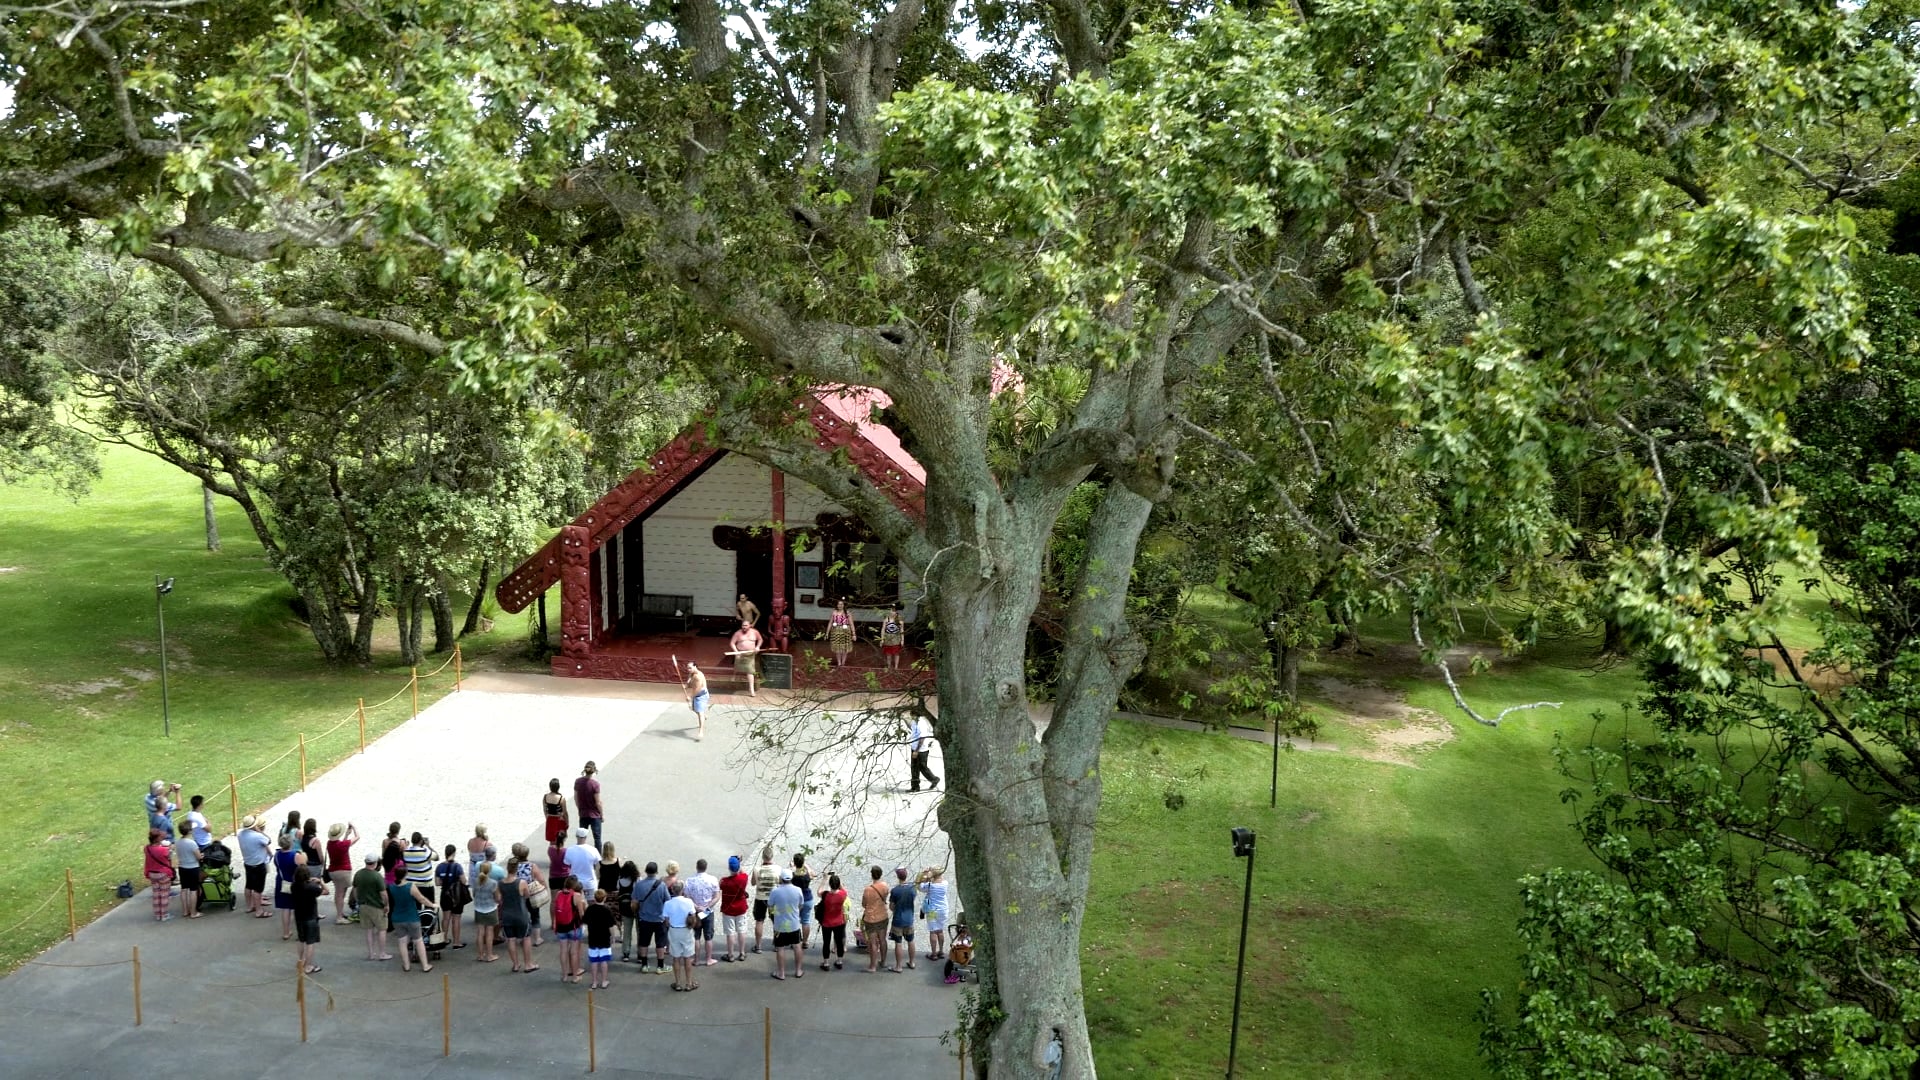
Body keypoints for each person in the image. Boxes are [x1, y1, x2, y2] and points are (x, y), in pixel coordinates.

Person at [387, 872, 435, 973]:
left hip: (397, 917)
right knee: (418, 941)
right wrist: (432, 905)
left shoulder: (391, 887)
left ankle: (406, 965)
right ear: (405, 875)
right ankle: (425, 965)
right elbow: (421, 899)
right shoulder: (410, 886)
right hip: (412, 917)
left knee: (402, 942)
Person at [352, 853, 392, 961]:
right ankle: (382, 953)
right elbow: (384, 894)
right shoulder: (377, 876)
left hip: (363, 905)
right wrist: (387, 905)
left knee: (368, 930)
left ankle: (371, 953)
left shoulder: (358, 874)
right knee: (382, 929)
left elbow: (355, 890)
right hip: (376, 907)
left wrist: (358, 901)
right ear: (375, 863)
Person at [767, 868, 804, 980]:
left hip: (780, 925)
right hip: (794, 924)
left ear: (781, 878)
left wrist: (777, 913)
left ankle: (781, 973)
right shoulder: (798, 890)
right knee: (797, 946)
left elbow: (770, 907)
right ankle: (798, 970)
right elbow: (801, 905)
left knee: (780, 948)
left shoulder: (775, 891)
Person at [662, 880, 699, 991]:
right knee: (688, 958)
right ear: (682, 890)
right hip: (686, 931)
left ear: (672, 890)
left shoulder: (668, 904)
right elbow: (693, 916)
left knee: (676, 958)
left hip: (674, 931)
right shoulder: (689, 902)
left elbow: (666, 921)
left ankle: (678, 983)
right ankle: (688, 983)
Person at [499, 858, 534, 973]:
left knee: (510, 940)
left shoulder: (501, 883)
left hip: (507, 915)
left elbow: (499, 899)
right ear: (517, 869)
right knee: (526, 937)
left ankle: (515, 964)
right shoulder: (521, 882)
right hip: (520, 914)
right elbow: (527, 895)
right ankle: (528, 964)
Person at [631, 861, 667, 972]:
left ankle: (644, 965)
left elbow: (634, 902)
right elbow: (668, 900)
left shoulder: (639, 885)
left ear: (646, 871)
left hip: (644, 918)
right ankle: (660, 966)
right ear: (656, 872)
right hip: (659, 918)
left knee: (644, 942)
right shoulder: (661, 885)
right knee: (660, 943)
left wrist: (636, 912)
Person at [685, 858, 721, 966]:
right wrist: (707, 906)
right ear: (706, 867)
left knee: (696, 936)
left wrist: (696, 907)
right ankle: (708, 959)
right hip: (708, 911)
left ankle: (696, 960)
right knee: (708, 936)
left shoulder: (690, 880)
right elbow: (717, 896)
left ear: (697, 867)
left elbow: (687, 896)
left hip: (695, 911)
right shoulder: (713, 879)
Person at [552, 875, 586, 984]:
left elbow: (555, 909)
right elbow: (581, 915)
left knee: (563, 951)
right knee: (574, 952)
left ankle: (565, 975)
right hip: (574, 927)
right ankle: (575, 976)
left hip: (561, 926)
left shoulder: (558, 894)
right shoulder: (576, 896)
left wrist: (554, 922)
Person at [511, 842, 546, 947]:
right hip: (531, 893)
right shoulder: (532, 866)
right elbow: (541, 879)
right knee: (535, 916)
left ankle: (522, 937)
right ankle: (537, 938)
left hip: (518, 893)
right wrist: (545, 889)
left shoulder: (514, 865)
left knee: (522, 916)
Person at [292, 864, 324, 974]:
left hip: (299, 916)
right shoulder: (312, 887)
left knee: (301, 939)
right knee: (310, 942)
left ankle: (301, 961)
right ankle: (309, 966)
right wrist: (320, 882)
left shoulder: (294, 886)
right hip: (310, 916)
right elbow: (326, 891)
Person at [238, 815, 272, 918]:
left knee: (249, 885)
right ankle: (259, 911)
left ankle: (249, 906)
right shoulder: (258, 836)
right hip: (258, 865)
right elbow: (268, 840)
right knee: (258, 889)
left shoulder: (240, 835)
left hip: (248, 863)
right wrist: (259, 831)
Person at [436, 845, 469, 950]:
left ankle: (444, 939)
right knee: (456, 919)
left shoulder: (439, 867)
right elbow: (464, 881)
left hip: (445, 894)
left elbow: (437, 883)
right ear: (454, 853)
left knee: (446, 918)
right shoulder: (457, 866)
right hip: (456, 895)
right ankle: (456, 942)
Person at [749, 845, 781, 954]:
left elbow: (753, 883)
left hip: (760, 899)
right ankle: (777, 945)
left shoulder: (757, 869)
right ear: (772, 857)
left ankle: (758, 946)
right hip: (773, 900)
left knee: (759, 921)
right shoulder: (778, 869)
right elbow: (781, 883)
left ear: (763, 857)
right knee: (776, 921)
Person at [718, 855, 750, 963]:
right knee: (742, 930)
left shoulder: (724, 881)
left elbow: (719, 886)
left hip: (728, 910)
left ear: (729, 867)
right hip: (741, 908)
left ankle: (730, 954)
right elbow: (742, 872)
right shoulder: (743, 878)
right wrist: (739, 863)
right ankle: (742, 953)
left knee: (730, 932)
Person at [325, 822, 358, 924]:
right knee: (341, 894)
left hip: (333, 871)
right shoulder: (342, 845)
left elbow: (342, 845)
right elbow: (357, 837)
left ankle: (340, 913)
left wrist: (347, 835)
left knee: (338, 893)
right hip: (343, 872)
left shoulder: (329, 844)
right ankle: (339, 917)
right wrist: (354, 827)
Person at [888, 866, 919, 972]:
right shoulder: (912, 888)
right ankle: (912, 962)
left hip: (898, 920)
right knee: (911, 940)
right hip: (909, 919)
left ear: (897, 876)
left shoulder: (895, 890)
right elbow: (913, 898)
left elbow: (891, 907)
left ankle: (898, 966)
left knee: (898, 942)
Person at [584, 888, 616, 989]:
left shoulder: (590, 909)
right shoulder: (607, 910)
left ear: (594, 898)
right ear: (605, 898)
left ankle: (594, 982)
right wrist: (613, 937)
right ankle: (604, 981)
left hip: (593, 938)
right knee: (604, 961)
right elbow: (611, 926)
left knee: (594, 961)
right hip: (604, 939)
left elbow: (585, 921)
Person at [861, 866, 891, 973]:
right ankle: (883, 962)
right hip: (883, 916)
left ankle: (872, 966)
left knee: (873, 942)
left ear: (871, 874)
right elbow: (886, 897)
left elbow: (864, 904)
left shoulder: (868, 889)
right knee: (882, 940)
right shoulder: (885, 886)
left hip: (871, 918)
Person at [470, 860, 500, 963]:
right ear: (489, 870)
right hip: (490, 909)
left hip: (478, 909)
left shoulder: (476, 881)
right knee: (489, 933)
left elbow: (474, 894)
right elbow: (497, 897)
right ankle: (489, 955)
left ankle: (480, 955)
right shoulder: (493, 883)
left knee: (480, 933)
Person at [918, 867, 951, 959]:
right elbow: (940, 879)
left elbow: (920, 887)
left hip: (932, 910)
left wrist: (925, 875)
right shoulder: (945, 883)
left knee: (933, 931)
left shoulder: (929, 885)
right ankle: (941, 951)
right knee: (940, 930)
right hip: (943, 910)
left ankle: (933, 954)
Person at [818, 873, 848, 971]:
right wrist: (838, 880)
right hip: (839, 921)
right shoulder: (843, 895)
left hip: (826, 922)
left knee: (826, 942)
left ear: (830, 885)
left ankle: (826, 963)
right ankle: (839, 961)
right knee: (839, 942)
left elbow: (819, 891)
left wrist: (825, 879)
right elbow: (843, 889)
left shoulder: (825, 895)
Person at [143, 827, 174, 923]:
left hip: (152, 874)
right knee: (164, 894)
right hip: (163, 874)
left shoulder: (147, 848)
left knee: (156, 894)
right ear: (157, 838)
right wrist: (170, 848)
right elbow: (169, 857)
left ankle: (157, 914)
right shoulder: (163, 850)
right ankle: (164, 915)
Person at [174, 821, 203, 920]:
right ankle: (193, 912)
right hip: (193, 868)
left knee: (184, 889)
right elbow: (198, 856)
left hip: (182, 868)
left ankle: (185, 910)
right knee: (193, 890)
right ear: (190, 831)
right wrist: (201, 856)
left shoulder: (178, 842)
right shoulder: (192, 843)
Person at [274, 835, 300, 939]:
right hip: (294, 883)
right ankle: (300, 931)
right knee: (297, 908)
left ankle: (286, 932)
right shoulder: (296, 855)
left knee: (285, 908)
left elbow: (277, 866)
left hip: (282, 882)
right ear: (291, 843)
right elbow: (302, 869)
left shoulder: (276, 855)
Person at [729, 619, 763, 697]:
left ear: (750, 626)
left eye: (746, 625)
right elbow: (732, 643)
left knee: (750, 671)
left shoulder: (755, 632)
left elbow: (760, 640)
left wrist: (757, 647)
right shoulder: (737, 633)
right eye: (743, 625)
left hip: (750, 654)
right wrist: (736, 651)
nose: (744, 627)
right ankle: (734, 676)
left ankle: (751, 690)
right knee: (737, 668)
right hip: (740, 654)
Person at [574, 762, 603, 848]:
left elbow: (576, 798)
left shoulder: (578, 782)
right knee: (597, 838)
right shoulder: (595, 784)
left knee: (581, 837)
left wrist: (579, 809)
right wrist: (602, 814)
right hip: (594, 815)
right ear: (594, 771)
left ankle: (580, 855)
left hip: (583, 813)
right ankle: (598, 859)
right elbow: (598, 802)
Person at [909, 713, 941, 792]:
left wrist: (916, 751)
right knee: (914, 767)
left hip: (921, 749)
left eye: (912, 715)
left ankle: (934, 779)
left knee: (922, 767)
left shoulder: (921, 723)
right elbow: (912, 729)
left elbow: (922, 738)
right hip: (914, 747)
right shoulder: (914, 721)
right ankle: (915, 786)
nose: (911, 716)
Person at [564, 827, 600, 896]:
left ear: (576, 836)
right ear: (585, 837)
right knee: (591, 903)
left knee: (575, 903)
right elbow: (598, 865)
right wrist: (597, 876)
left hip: (575, 883)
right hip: (590, 883)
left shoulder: (570, 850)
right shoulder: (593, 849)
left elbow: (567, 864)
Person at [403, 832, 435, 904]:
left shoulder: (405, 852)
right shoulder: (425, 851)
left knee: (415, 909)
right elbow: (437, 857)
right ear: (421, 841)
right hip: (426, 885)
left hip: (411, 885)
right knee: (429, 908)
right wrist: (428, 845)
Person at [790, 853, 814, 949]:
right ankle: (805, 941)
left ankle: (794, 941)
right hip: (807, 898)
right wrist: (805, 865)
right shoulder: (807, 876)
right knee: (806, 921)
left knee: (794, 920)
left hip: (795, 900)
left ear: (795, 863)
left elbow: (787, 877)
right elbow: (812, 873)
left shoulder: (793, 876)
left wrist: (792, 867)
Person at [684, 663, 709, 741]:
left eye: (690, 668)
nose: (689, 670)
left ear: (695, 667)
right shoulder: (691, 674)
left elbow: (697, 690)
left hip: (701, 695)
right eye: (688, 668)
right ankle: (704, 714)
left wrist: (690, 698)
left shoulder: (698, 676)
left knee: (700, 713)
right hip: (696, 695)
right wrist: (686, 685)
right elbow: (689, 682)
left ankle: (701, 731)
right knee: (695, 710)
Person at [827, 599, 855, 667]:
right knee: (837, 648)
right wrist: (827, 632)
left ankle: (843, 662)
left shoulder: (847, 613)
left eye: (842, 604)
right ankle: (839, 662)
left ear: (844, 605)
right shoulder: (834, 612)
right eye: (839, 604)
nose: (840, 606)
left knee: (844, 647)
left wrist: (853, 633)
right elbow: (830, 623)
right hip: (836, 631)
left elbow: (851, 623)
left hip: (845, 631)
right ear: (837, 605)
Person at [541, 780, 569, 846]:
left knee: (551, 841)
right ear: (558, 787)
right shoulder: (561, 798)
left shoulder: (545, 797)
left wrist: (547, 818)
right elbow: (565, 812)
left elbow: (545, 810)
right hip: (559, 820)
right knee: (560, 840)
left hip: (550, 819)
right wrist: (567, 822)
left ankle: (552, 854)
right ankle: (560, 854)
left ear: (550, 787)